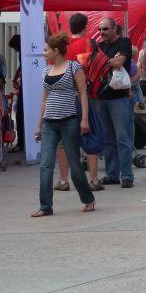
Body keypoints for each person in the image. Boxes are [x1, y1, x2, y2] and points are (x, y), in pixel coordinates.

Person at [31, 34, 95, 217]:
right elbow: (44, 100)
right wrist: (38, 125)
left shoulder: (73, 67)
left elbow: (83, 93)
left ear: (56, 50)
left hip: (69, 120)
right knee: (45, 165)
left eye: (46, 50)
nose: (43, 53)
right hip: (49, 123)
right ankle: (45, 206)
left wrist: (84, 119)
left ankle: (87, 198)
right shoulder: (46, 71)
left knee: (75, 164)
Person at [54, 13, 103, 191]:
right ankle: (93, 179)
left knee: (63, 139)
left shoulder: (62, 46)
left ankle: (63, 180)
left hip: (63, 96)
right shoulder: (90, 43)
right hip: (84, 95)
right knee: (90, 135)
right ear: (86, 26)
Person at [92, 17, 135, 188]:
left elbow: (120, 62)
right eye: (100, 29)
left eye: (105, 29)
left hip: (119, 98)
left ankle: (126, 176)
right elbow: (92, 64)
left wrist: (103, 63)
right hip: (100, 98)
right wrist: (110, 62)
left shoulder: (124, 42)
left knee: (123, 137)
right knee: (107, 139)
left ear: (115, 29)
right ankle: (112, 174)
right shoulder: (99, 46)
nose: (102, 32)